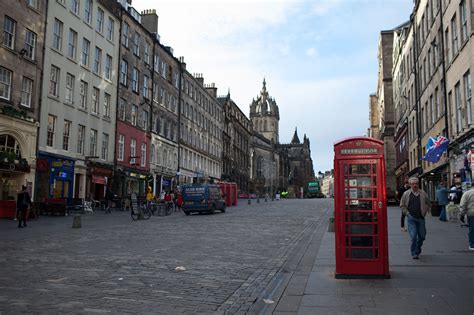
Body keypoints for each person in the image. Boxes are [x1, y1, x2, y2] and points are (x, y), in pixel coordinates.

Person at [399, 177, 431, 259]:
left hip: (421, 218)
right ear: (410, 185)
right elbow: (402, 205)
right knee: (413, 236)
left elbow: (428, 203)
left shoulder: (423, 193)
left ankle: (418, 248)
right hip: (411, 218)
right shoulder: (406, 194)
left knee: (422, 236)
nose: (415, 185)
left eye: (416, 183)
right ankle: (414, 253)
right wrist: (407, 213)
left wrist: (425, 210)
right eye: (413, 184)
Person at [459, 184, 474, 251]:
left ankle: (472, 245)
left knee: (472, 229)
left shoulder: (467, 193)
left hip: (471, 213)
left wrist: (462, 215)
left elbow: (463, 204)